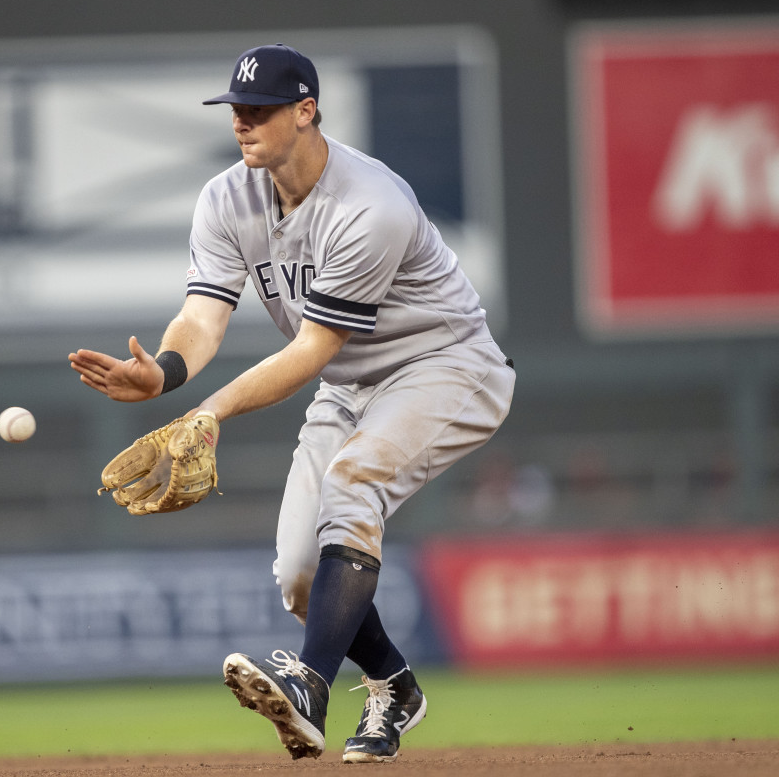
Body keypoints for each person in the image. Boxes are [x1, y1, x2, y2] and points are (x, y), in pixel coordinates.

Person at [68, 43, 514, 763]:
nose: (242, 123)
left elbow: (310, 351)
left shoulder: (372, 205)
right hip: (353, 385)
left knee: (353, 483)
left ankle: (309, 684)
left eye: (260, 111)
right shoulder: (225, 198)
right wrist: (167, 375)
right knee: (301, 576)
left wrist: (208, 414)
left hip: (447, 365)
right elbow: (203, 315)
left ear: (306, 112)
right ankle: (395, 687)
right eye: (236, 111)